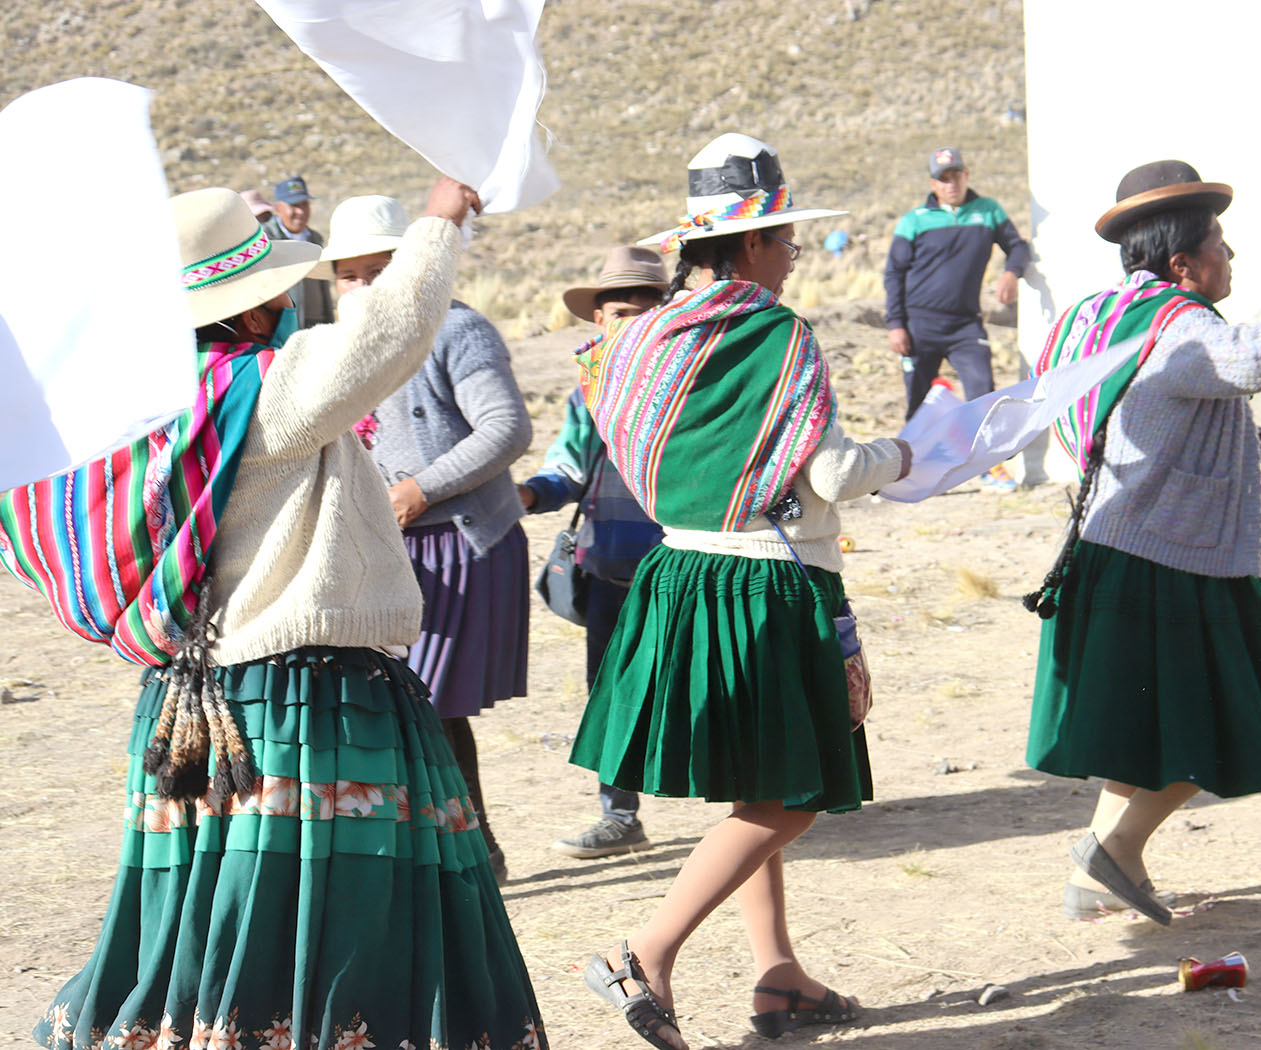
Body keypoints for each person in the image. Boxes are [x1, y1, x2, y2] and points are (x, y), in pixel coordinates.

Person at [6, 179, 550, 1050]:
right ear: (254, 308)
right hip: (304, 698)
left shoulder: (129, 413)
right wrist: (439, 221)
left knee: (214, 915)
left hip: (190, 704)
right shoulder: (261, 388)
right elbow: (390, 334)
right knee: (335, 921)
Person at [569, 133, 912, 1050]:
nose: (793, 256)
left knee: (758, 780)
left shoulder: (638, 338)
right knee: (796, 790)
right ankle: (644, 952)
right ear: (753, 243)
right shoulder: (776, 335)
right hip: (765, 583)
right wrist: (909, 454)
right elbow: (832, 472)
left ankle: (777, 975)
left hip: (680, 571)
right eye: (787, 240)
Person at [1021, 159, 1261, 925]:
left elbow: (1126, 408)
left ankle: (1095, 880)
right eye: (1219, 245)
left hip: (1111, 546)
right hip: (1176, 557)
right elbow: (1251, 360)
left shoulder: (1092, 317)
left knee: (1144, 726)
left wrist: (1233, 436)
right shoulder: (1181, 325)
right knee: (1224, 717)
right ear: (1181, 264)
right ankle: (1112, 851)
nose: (1229, 256)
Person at [313, 194, 534, 883]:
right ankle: (465, 844)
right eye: (348, 276)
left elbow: (506, 428)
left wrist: (420, 489)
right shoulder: (345, 345)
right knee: (411, 704)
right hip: (389, 545)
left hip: (458, 541)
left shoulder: (457, 330)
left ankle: (469, 849)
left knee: (426, 704)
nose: (361, 288)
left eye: (377, 272)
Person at [519, 246, 669, 860]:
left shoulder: (694, 386)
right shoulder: (590, 392)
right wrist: (528, 494)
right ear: (599, 320)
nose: (629, 325)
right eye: (618, 314)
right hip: (606, 566)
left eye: (643, 312)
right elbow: (568, 469)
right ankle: (620, 815)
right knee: (609, 694)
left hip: (682, 569)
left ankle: (754, 812)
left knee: (698, 688)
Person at [884, 146, 1029, 426]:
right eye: (943, 179)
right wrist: (896, 324)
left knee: (983, 397)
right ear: (933, 184)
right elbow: (893, 274)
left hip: (965, 325)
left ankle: (985, 455)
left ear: (966, 175)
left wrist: (1011, 273)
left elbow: (1018, 246)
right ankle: (916, 456)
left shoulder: (988, 211)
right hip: (919, 325)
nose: (951, 184)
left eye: (956, 175)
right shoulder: (914, 220)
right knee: (918, 409)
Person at [264, 175, 334, 328]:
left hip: (318, 323)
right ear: (277, 208)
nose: (301, 211)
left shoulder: (315, 238)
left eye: (304, 204)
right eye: (294, 205)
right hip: (285, 325)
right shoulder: (266, 241)